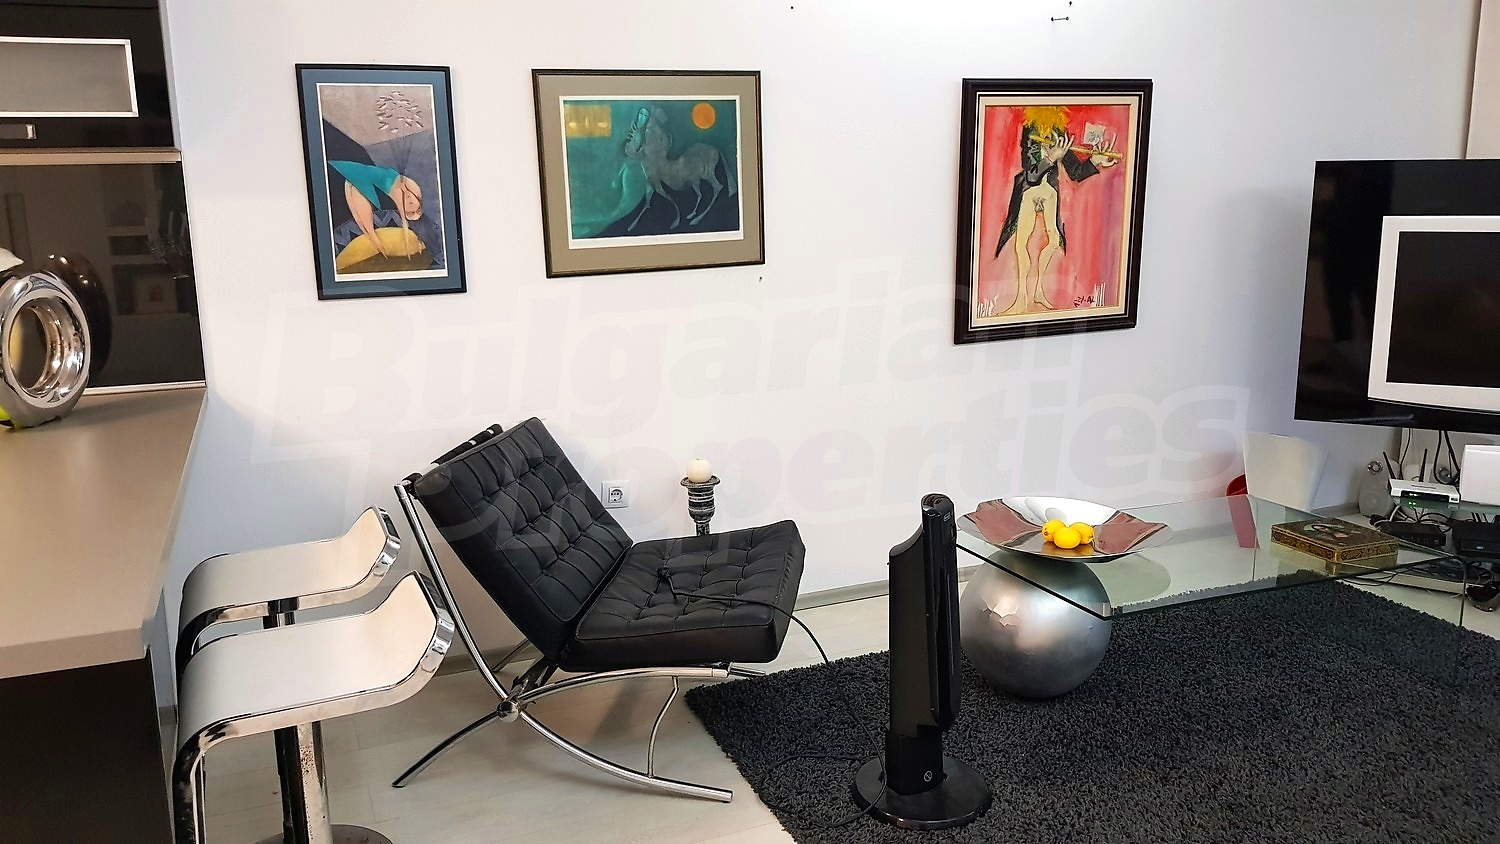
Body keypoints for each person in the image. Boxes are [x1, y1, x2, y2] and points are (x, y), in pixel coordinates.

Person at [993, 106, 1118, 315]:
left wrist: (1095, 160)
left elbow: (1075, 172)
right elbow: (1031, 175)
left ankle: (1039, 291)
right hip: (1029, 191)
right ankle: (1020, 299)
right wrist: (1050, 159)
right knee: (1021, 243)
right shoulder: (1030, 131)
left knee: (1053, 241)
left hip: (1050, 191)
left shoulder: (1059, 133)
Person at [328, 159, 424, 260]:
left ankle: (385, 255)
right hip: (359, 176)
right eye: (415, 206)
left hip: (359, 180)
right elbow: (405, 223)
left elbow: (405, 223)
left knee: (364, 224)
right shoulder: (412, 189)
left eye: (409, 208)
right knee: (366, 226)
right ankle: (385, 255)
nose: (410, 200)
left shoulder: (400, 196)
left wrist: (411, 249)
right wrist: (416, 243)